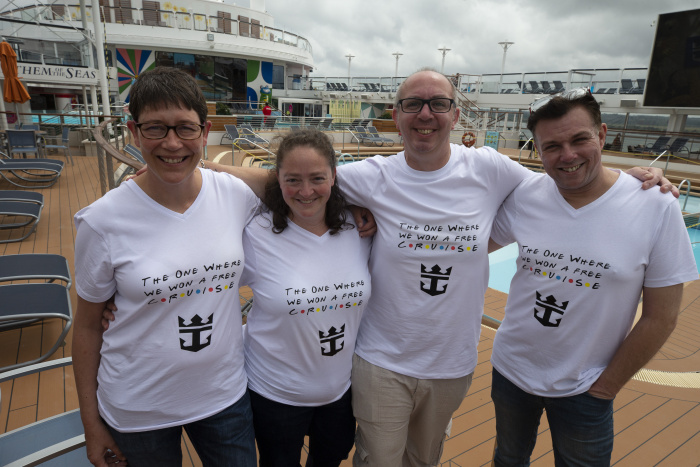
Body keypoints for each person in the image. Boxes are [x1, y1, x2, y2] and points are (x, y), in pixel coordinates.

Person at [203, 69, 676, 467]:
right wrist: (199, 173)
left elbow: (567, 178)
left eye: (438, 103)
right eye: (412, 104)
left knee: (423, 460)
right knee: (378, 458)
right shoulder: (373, 176)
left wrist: (636, 181)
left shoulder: (493, 170)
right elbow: (291, 181)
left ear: (455, 114)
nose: (425, 114)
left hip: (451, 364)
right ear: (396, 115)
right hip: (380, 358)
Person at [488, 89, 697, 466]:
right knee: (508, 458)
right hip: (511, 371)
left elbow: (662, 316)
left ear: (601, 135)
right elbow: (464, 245)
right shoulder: (526, 195)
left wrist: (605, 387)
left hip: (587, 387)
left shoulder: (654, 204)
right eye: (551, 146)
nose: (567, 155)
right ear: (536, 151)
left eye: (579, 139)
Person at [72, 67, 257, 467]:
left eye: (186, 129)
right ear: (133, 132)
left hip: (223, 396)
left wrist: (211, 168)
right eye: (155, 129)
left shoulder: (235, 196)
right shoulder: (102, 221)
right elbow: (86, 327)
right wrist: (92, 425)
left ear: (205, 133)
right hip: (139, 410)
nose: (172, 143)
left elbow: (295, 184)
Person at [242, 128, 371, 466]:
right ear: (276, 179)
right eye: (293, 180)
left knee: (333, 456)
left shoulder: (358, 229)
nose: (306, 191)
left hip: (339, 391)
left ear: (334, 177)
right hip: (274, 393)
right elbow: (205, 271)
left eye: (317, 178)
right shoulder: (255, 233)